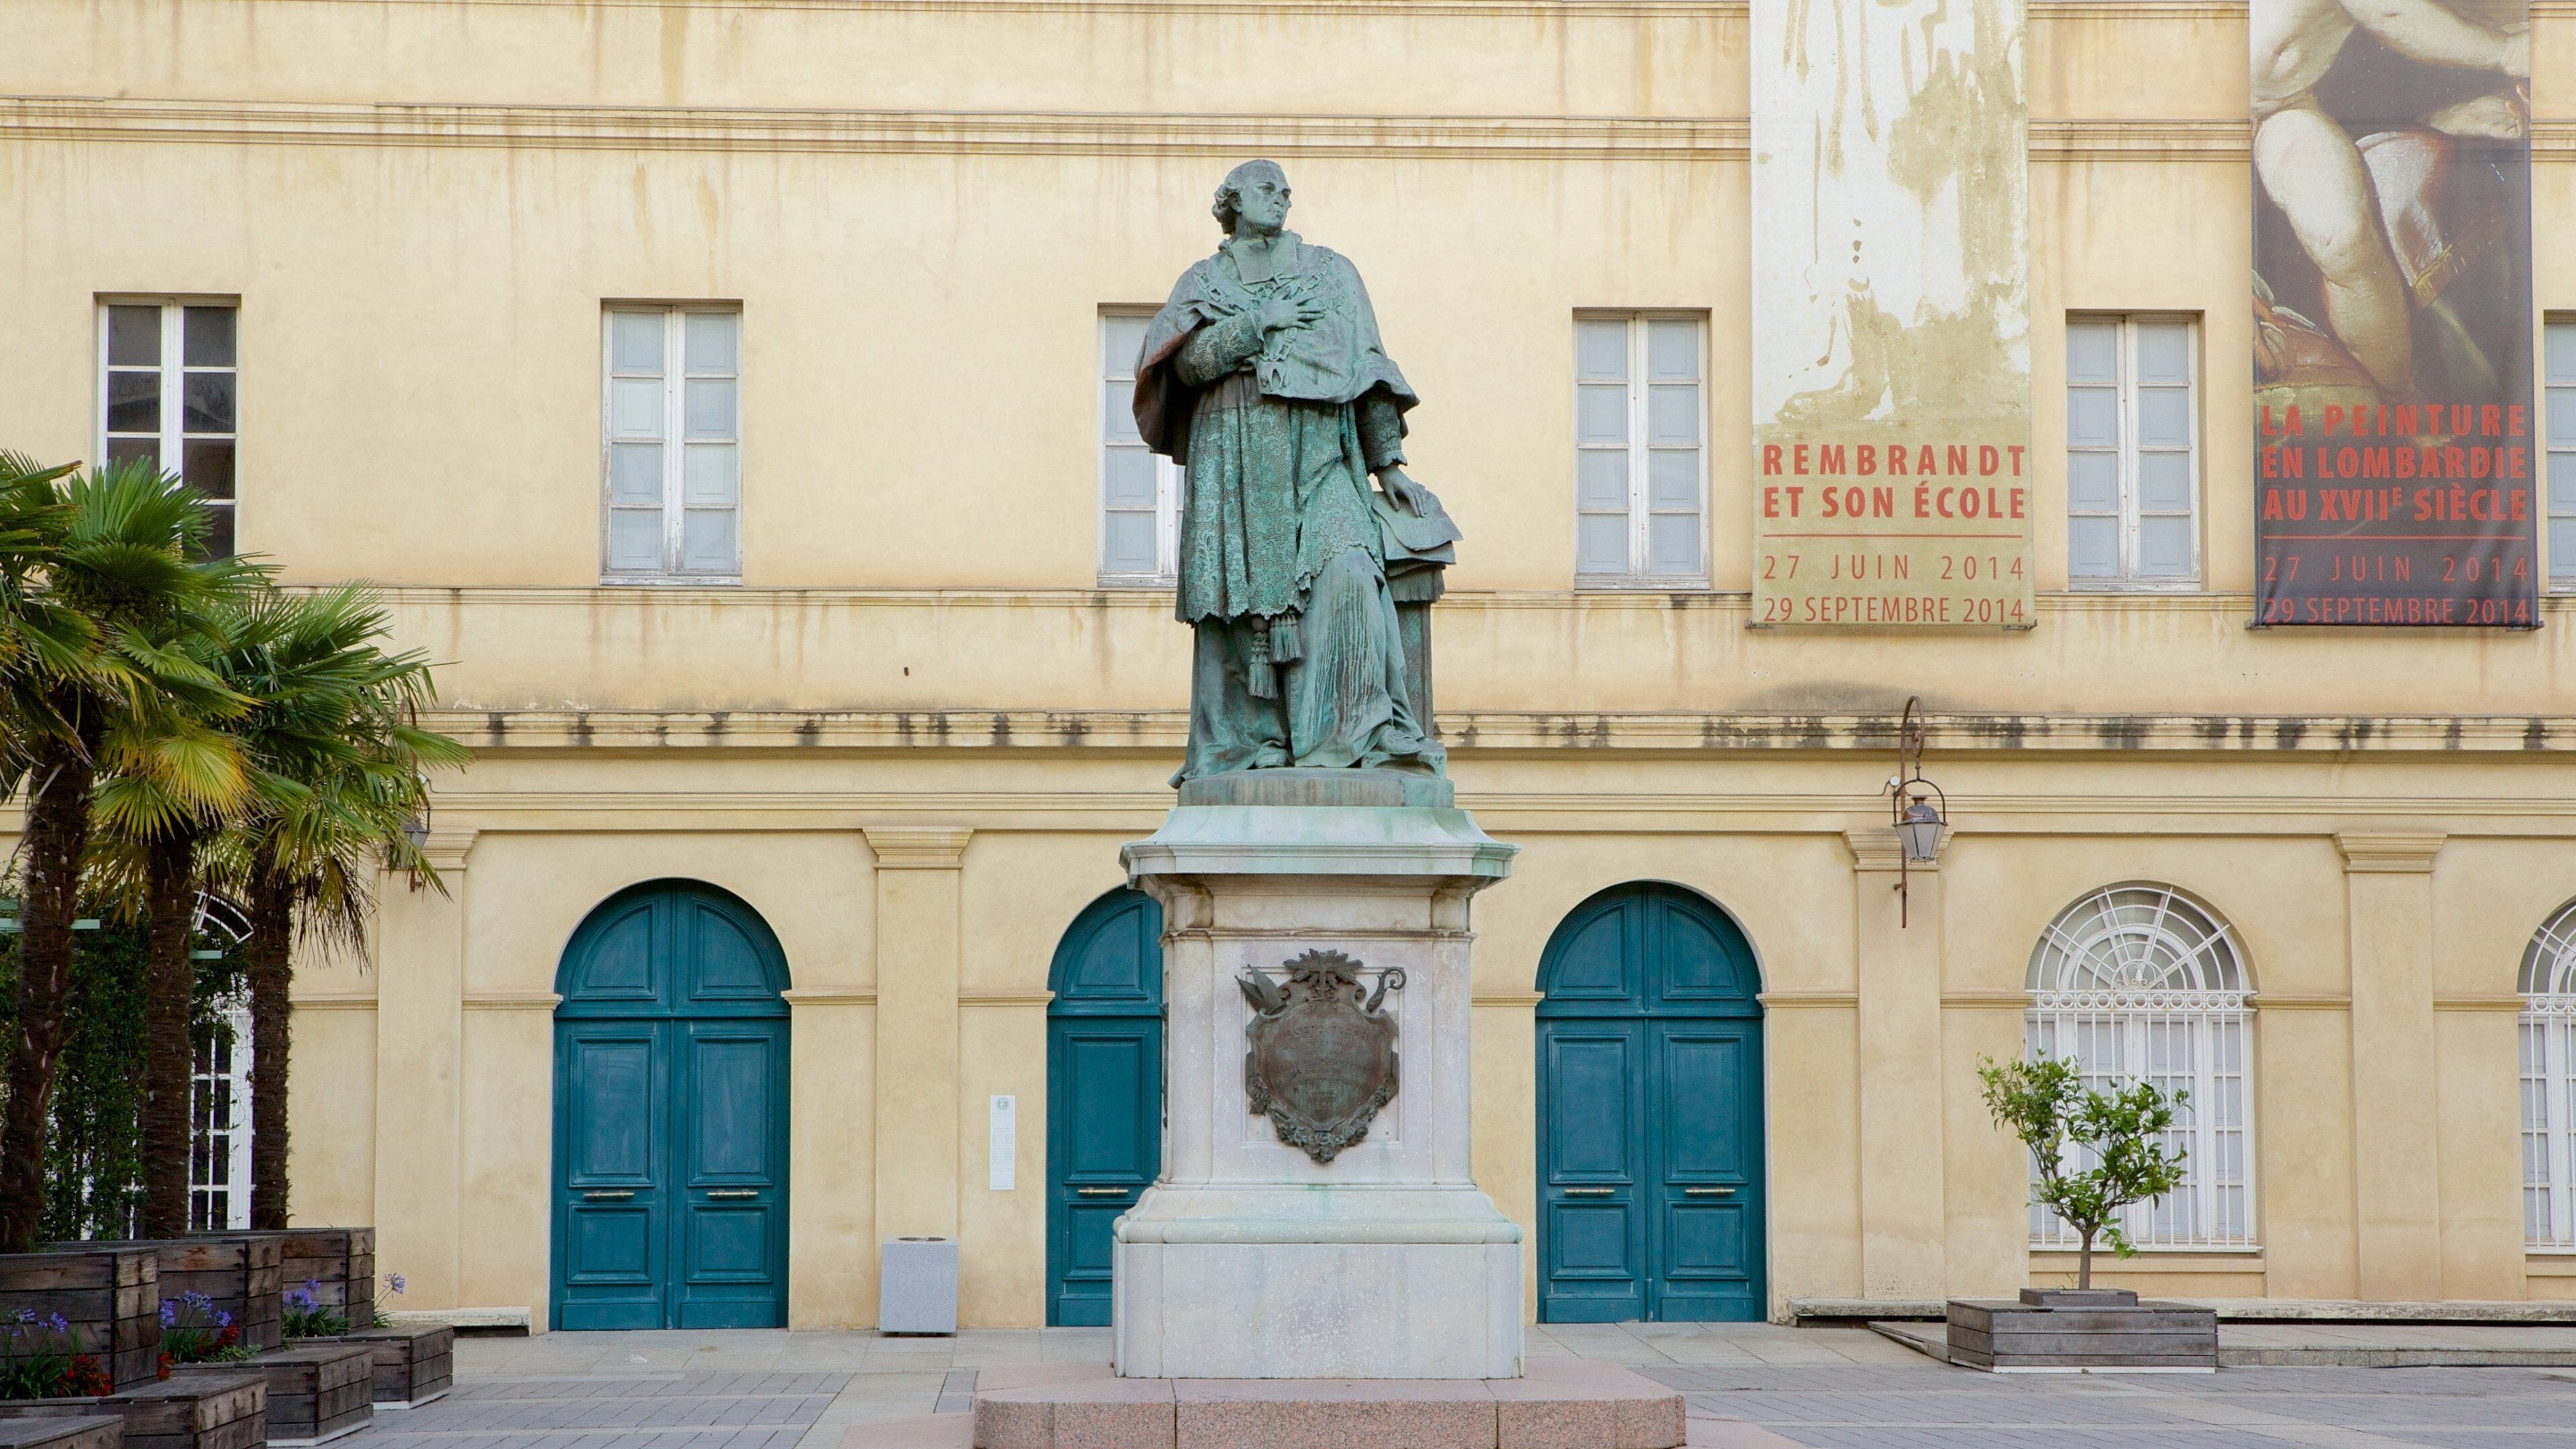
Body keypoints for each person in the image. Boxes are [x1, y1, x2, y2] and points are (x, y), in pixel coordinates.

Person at [1133, 160, 1454, 784]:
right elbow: (1188, 365)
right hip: (1236, 451)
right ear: (1230, 201)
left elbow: (1368, 364)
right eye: (1264, 188)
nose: (1280, 197)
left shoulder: (1331, 273)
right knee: (1239, 607)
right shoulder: (1203, 280)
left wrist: (1388, 463)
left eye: (1285, 189)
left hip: (1321, 451)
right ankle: (1254, 742)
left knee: (1353, 571)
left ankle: (1357, 732)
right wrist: (1257, 325)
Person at [2251, 0, 2527, 400]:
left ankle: (2399, 396)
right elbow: (2391, 14)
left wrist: (2511, 49)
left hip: (2284, 109)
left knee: (2344, 239)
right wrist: (2507, 51)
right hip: (2178, 128)